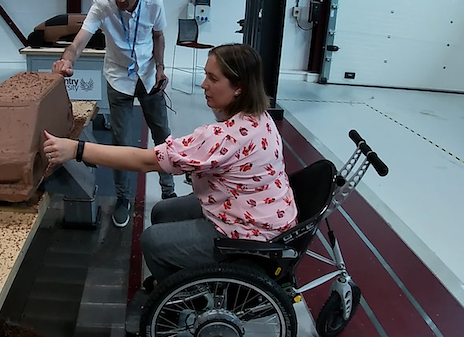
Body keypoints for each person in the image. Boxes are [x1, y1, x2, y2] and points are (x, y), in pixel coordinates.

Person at [44, 43, 298, 284]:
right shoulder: (261, 117)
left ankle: (183, 299)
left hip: (248, 234)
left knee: (153, 241)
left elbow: (144, 161)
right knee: (162, 212)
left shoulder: (222, 138)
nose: (204, 84)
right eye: (205, 75)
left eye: (213, 78)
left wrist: (76, 150)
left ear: (239, 87)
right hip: (265, 216)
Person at [52, 0, 175, 228]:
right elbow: (80, 39)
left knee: (162, 136)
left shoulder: (155, 3)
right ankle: (123, 198)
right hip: (118, 78)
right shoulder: (103, 4)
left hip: (148, 76)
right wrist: (68, 59)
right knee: (122, 141)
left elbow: (158, 36)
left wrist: (160, 67)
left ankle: (169, 194)